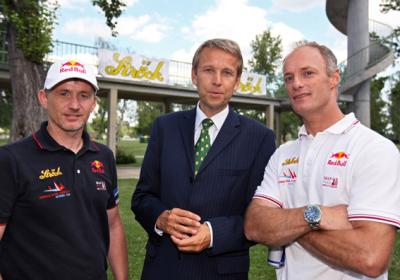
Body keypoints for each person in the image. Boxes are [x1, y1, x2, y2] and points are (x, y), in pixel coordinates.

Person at [244, 41, 400, 280]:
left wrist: (284, 226)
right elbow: (254, 225)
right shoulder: (283, 154)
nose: (296, 84)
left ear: (334, 78)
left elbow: (370, 257)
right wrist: (316, 215)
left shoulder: (374, 149)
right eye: (288, 77)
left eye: (308, 73)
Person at [131, 38, 276, 279]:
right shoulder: (164, 128)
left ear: (237, 82)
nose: (217, 80)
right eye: (209, 70)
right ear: (194, 75)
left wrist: (214, 233)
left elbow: (259, 217)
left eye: (227, 72)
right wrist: (160, 217)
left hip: (220, 272)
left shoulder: (259, 138)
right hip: (163, 269)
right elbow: (142, 197)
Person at [0, 59, 128, 280]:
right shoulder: (11, 159)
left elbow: (113, 224)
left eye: (84, 95)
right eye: (64, 93)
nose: (75, 105)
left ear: (93, 103)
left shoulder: (103, 157)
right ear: (44, 98)